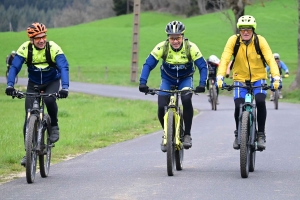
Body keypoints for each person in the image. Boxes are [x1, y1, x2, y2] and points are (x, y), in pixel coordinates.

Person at [5, 22, 69, 166]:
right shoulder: (25, 49)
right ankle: (28, 152)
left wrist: (65, 87)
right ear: (31, 39)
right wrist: (10, 85)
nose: (41, 40)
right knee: (28, 115)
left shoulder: (52, 47)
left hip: (51, 82)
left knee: (49, 100)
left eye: (43, 36)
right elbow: (15, 67)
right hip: (33, 84)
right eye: (37, 38)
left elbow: (64, 67)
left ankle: (54, 125)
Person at [138, 20, 208, 152]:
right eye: (172, 38)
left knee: (186, 100)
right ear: (168, 38)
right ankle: (167, 133)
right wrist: (143, 82)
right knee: (161, 105)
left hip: (185, 79)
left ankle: (187, 134)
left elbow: (202, 66)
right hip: (167, 80)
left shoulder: (191, 47)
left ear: (182, 36)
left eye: (178, 38)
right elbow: (148, 64)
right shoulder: (162, 47)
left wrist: (202, 84)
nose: (175, 41)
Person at [216, 15, 280, 150]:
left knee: (261, 101)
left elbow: (270, 59)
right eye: (242, 29)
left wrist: (276, 77)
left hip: (259, 78)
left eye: (249, 29)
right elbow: (225, 58)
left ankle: (261, 134)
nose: (245, 32)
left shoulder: (260, 41)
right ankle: (238, 133)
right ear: (239, 30)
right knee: (238, 104)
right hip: (240, 78)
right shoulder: (233, 41)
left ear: (253, 30)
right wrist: (220, 77)